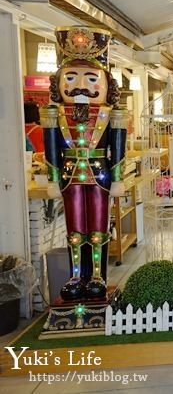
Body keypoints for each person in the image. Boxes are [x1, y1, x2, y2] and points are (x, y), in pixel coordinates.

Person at [41, 26, 128, 300]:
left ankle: (98, 275)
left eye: (91, 79)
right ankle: (76, 274)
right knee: (75, 228)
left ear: (105, 84)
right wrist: (53, 179)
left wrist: (118, 177)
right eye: (71, 77)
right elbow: (52, 149)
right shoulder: (54, 114)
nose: (81, 86)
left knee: (99, 227)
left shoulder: (113, 115)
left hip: (100, 176)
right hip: (69, 177)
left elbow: (117, 148)